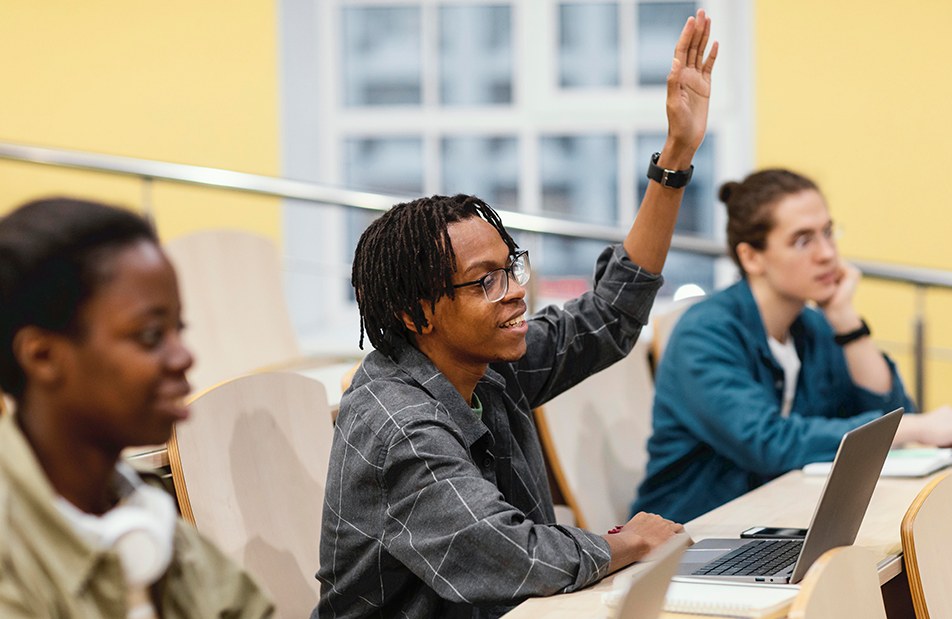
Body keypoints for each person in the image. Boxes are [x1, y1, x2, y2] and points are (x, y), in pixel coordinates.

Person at [312, 10, 717, 619]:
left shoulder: (486, 364)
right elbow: (511, 555)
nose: (514, 292)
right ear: (416, 313)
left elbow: (611, 315)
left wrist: (676, 156)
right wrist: (628, 542)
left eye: (512, 267)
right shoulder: (398, 426)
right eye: (485, 281)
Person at [632, 169, 952, 523]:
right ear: (751, 257)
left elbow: (893, 413)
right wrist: (909, 429)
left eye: (827, 233)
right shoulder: (704, 334)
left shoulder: (813, 327)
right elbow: (769, 443)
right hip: (690, 535)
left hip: (776, 521)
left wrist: (846, 322)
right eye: (803, 240)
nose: (827, 254)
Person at [0, 198, 274, 618]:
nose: (184, 356)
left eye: (178, 329)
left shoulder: (147, 511)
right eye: (149, 335)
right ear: (42, 357)